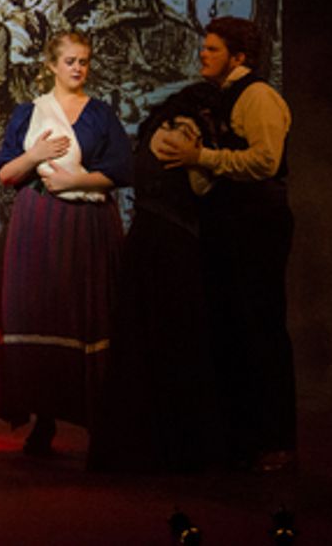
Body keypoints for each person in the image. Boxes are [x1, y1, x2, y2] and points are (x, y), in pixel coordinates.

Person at [154, 16, 295, 472]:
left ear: (239, 57)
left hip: (256, 225)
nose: (203, 55)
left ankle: (274, 441)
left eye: (212, 49)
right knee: (233, 331)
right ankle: (244, 438)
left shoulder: (258, 96)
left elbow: (266, 161)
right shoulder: (221, 98)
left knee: (260, 330)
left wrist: (202, 157)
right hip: (229, 226)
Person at [0, 30, 132, 456]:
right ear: (51, 65)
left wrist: (77, 179)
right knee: (41, 309)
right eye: (70, 60)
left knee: (87, 312)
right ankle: (43, 417)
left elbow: (122, 169)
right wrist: (35, 156)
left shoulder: (100, 114)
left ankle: (97, 419)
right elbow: (6, 174)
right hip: (40, 222)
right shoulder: (29, 113)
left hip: (87, 222)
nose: (78, 68)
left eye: (84, 61)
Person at [88, 82, 225, 472]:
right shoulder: (188, 131)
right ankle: (174, 446)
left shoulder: (156, 126)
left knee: (136, 341)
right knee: (174, 341)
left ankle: (132, 444)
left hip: (145, 237)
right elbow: (200, 186)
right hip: (172, 244)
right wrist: (209, 158)